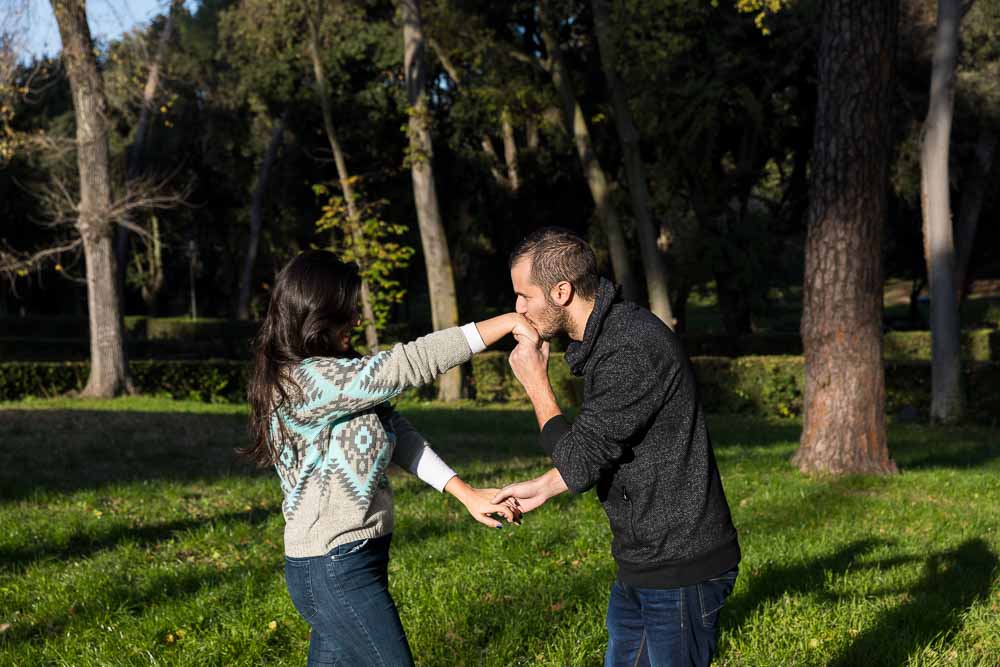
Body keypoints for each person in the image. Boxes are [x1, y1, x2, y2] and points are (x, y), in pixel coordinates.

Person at [243, 250, 530, 666]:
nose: (358, 320)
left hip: (346, 564)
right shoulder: (307, 382)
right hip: (335, 566)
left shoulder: (337, 376)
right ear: (316, 314)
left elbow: (397, 435)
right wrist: (504, 323)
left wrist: (465, 493)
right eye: (348, 311)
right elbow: (408, 363)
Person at [493, 228, 741, 667]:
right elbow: (602, 446)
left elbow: (580, 464)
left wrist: (535, 384)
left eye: (524, 296)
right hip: (644, 562)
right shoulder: (610, 339)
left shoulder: (630, 349)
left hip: (681, 568)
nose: (518, 308)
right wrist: (545, 487)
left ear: (561, 292)